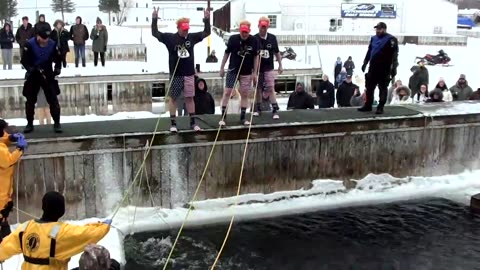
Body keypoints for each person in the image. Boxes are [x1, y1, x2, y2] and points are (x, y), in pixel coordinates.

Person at [0, 191, 111, 269]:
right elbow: (88, 234)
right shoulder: (61, 233)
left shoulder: (25, 228)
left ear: (43, 207)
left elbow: (4, 247)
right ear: (62, 211)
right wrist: (103, 226)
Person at [152, 7, 210, 132]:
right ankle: (173, 124)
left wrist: (206, 19)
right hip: (176, 74)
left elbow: (206, 33)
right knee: (173, 98)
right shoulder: (170, 38)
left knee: (190, 98)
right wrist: (154, 19)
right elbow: (155, 33)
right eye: (183, 30)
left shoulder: (192, 38)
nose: (185, 32)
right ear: (178, 28)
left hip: (189, 74)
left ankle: (193, 123)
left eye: (187, 30)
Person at [21, 25, 63, 133]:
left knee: (53, 99)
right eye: (43, 38)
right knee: (30, 100)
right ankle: (29, 123)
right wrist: (31, 69)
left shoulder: (52, 44)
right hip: (34, 73)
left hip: (48, 73)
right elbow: (24, 61)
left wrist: (57, 68)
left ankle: (57, 123)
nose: (45, 41)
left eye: (47, 38)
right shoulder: (29, 44)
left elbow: (58, 58)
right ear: (38, 36)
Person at [219, 20, 258, 126]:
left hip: (246, 72)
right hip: (233, 70)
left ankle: (243, 117)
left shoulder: (254, 40)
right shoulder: (233, 39)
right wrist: (222, 67)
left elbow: (256, 56)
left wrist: (255, 72)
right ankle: (223, 116)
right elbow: (227, 53)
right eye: (242, 32)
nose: (244, 34)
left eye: (246, 32)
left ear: (249, 31)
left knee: (245, 93)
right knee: (227, 92)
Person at [359, 22, 399, 114]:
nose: (378, 31)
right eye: (377, 29)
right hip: (373, 67)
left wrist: (394, 68)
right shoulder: (373, 38)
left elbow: (395, 55)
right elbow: (369, 51)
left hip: (384, 68)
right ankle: (368, 105)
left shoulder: (391, 39)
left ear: (384, 29)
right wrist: (365, 62)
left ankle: (380, 106)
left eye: (379, 29)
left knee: (383, 88)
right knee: (369, 87)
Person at [0, 119, 26, 242]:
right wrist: (20, 149)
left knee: (4, 210)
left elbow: (2, 139)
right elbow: (8, 160)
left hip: (4, 186)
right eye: (4, 130)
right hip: (1, 188)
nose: (5, 132)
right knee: (2, 211)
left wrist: (10, 138)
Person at [253, 16, 283, 119]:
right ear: (258, 26)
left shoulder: (272, 38)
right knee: (258, 88)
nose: (263, 29)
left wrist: (280, 64)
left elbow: (277, 52)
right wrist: (254, 71)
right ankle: (258, 108)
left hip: (269, 67)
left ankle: (275, 110)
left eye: (265, 27)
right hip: (258, 69)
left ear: (267, 28)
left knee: (270, 88)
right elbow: (253, 56)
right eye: (261, 27)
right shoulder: (254, 39)